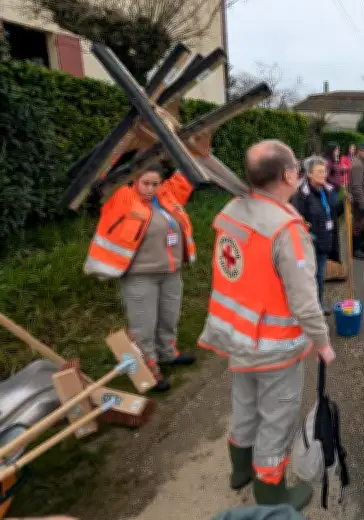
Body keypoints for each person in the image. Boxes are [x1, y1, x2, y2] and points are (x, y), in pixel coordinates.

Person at [197, 139, 335, 510]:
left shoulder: (234, 209)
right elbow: (305, 300)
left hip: (238, 336)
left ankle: (239, 470)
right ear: (290, 174)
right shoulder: (286, 229)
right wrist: (323, 343)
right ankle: (271, 494)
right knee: (277, 419)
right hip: (276, 346)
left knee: (244, 406)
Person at [84, 163, 197, 392]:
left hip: (171, 272)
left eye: (155, 184)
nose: (150, 189)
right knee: (143, 326)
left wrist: (196, 148)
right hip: (139, 276)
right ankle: (149, 368)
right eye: (145, 183)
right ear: (134, 181)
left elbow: (187, 170)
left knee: (169, 317)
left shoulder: (166, 197)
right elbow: (102, 178)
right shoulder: (122, 199)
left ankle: (167, 353)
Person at [290, 156, 343, 315]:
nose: (323, 174)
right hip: (310, 243)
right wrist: (309, 237)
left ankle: (318, 303)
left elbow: (332, 213)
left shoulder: (326, 191)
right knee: (310, 277)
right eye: (319, 172)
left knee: (319, 275)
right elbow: (298, 220)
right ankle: (310, 307)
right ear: (309, 174)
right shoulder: (301, 195)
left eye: (324, 171)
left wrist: (343, 204)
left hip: (324, 241)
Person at [348, 142, 364, 259]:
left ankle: (361, 246)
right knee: (358, 225)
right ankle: (356, 249)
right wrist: (362, 202)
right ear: (361, 151)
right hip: (359, 203)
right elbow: (356, 186)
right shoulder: (357, 164)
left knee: (363, 224)